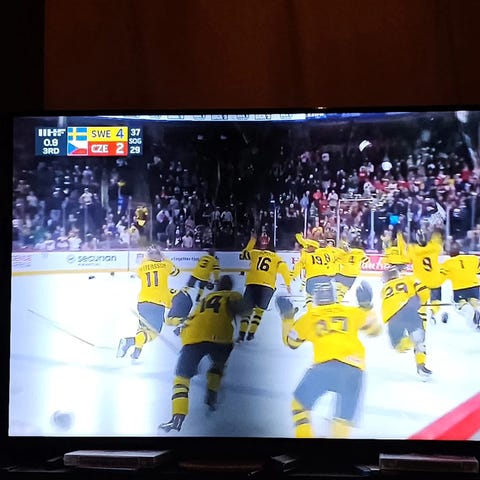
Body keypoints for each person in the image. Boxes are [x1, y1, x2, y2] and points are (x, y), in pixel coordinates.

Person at [276, 280, 380, 438]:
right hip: (354, 371)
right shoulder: (351, 312)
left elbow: (291, 342)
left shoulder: (309, 317)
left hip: (324, 368)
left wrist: (287, 317)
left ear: (316, 299)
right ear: (335, 297)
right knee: (342, 420)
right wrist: (366, 306)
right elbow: (374, 330)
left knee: (299, 405)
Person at [159, 275, 247, 432]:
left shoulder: (205, 298)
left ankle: (177, 416)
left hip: (194, 336)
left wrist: (180, 328)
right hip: (221, 337)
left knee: (182, 378)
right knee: (217, 366)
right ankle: (212, 393)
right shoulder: (233, 295)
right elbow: (243, 310)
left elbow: (192, 317)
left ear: (218, 286)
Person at [116, 244, 180, 360]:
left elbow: (139, 275)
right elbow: (177, 272)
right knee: (154, 333)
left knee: (143, 328)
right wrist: (164, 258)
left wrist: (147, 260)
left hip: (142, 303)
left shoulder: (142, 266)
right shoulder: (166, 265)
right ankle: (129, 341)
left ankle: (137, 350)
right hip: (157, 304)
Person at [380, 265, 432, 378]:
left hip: (392, 315)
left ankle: (410, 340)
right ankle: (421, 366)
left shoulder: (384, 289)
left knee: (398, 345)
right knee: (420, 341)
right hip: (409, 309)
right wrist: (421, 303)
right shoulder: (409, 279)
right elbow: (423, 290)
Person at [237, 234, 291, 342]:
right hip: (267, 286)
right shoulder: (277, 258)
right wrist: (288, 284)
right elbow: (284, 269)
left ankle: (242, 334)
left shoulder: (254, 253)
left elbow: (243, 254)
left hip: (252, 283)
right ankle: (251, 334)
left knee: (247, 310)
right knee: (259, 312)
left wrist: (252, 240)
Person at [406, 230, 447, 324]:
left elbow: (407, 259)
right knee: (436, 300)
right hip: (435, 280)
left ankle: (422, 315)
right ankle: (433, 312)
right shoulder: (434, 247)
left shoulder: (413, 250)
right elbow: (439, 243)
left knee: (422, 302)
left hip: (421, 282)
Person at [291, 233, 340, 307]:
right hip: (325, 278)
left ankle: (310, 308)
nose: (306, 248)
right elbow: (334, 261)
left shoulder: (307, 255)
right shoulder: (325, 252)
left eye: (308, 246)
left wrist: (294, 275)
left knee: (309, 295)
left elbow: (298, 266)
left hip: (313, 278)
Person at [440, 242, 480, 329]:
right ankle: (476, 309)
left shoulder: (447, 263)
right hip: (474, 288)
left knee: (460, 305)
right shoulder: (473, 258)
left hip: (459, 289)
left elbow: (440, 278)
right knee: (475, 302)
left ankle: (468, 311)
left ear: (449, 253)